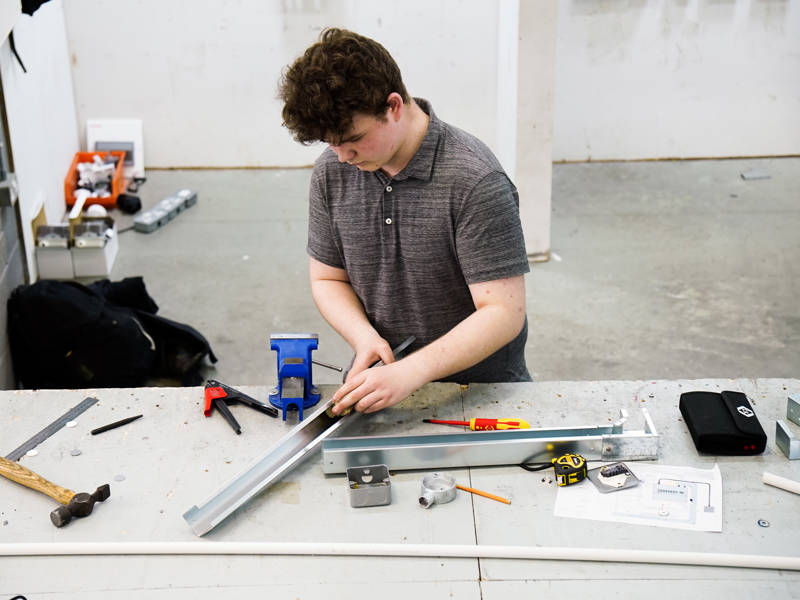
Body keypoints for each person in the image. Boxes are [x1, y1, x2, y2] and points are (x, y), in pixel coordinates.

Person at [279, 28, 531, 417]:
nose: (343, 156)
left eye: (353, 139)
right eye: (330, 143)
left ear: (393, 106)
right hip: (383, 391)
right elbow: (328, 278)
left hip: (481, 397)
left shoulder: (473, 180)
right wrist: (365, 340)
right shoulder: (333, 171)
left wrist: (412, 372)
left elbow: (503, 313)